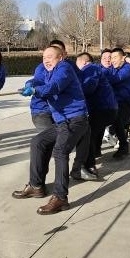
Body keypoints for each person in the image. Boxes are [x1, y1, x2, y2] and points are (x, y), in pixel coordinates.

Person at [12, 45, 90, 215]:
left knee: (60, 151)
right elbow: (38, 80)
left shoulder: (65, 69)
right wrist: (30, 84)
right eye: (44, 57)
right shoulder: (47, 71)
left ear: (60, 58)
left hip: (75, 119)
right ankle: (36, 186)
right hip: (62, 122)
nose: (46, 60)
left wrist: (35, 91)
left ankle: (60, 198)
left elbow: (55, 86)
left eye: (50, 57)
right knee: (38, 142)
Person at [72, 52, 117, 178]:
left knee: (88, 136)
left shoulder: (90, 69)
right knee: (92, 134)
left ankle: (88, 165)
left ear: (83, 62)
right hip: (104, 108)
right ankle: (91, 160)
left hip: (102, 109)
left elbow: (87, 88)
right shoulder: (94, 69)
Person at [106, 47, 130, 159]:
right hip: (116, 101)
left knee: (118, 123)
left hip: (126, 102)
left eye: (115, 57)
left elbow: (116, 78)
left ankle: (123, 146)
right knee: (117, 124)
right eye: (111, 58)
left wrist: (101, 74)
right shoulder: (114, 68)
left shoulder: (127, 68)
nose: (112, 60)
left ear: (123, 58)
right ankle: (123, 145)